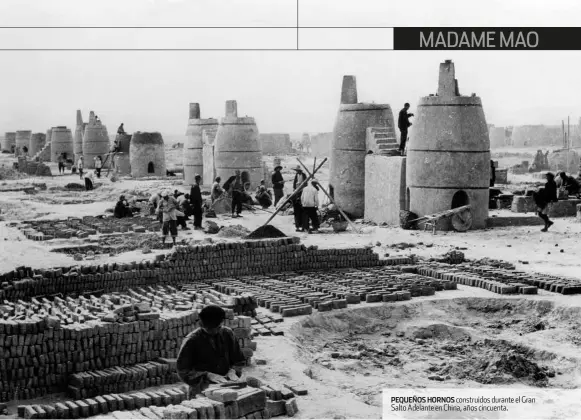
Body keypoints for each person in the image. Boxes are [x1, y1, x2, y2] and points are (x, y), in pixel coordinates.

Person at [176, 305, 246, 396]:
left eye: (216, 328)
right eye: (208, 329)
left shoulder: (228, 334)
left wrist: (233, 371)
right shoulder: (191, 340)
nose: (212, 331)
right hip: (201, 389)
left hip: (227, 386)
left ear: (221, 324)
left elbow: (239, 360)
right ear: (202, 325)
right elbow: (183, 371)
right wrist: (207, 375)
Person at [292, 166, 307, 232]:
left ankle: (303, 226)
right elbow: (294, 183)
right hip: (297, 190)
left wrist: (302, 187)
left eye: (298, 170)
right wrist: (295, 188)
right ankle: (299, 226)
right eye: (296, 171)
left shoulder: (304, 175)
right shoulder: (296, 175)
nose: (297, 172)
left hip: (302, 190)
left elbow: (305, 183)